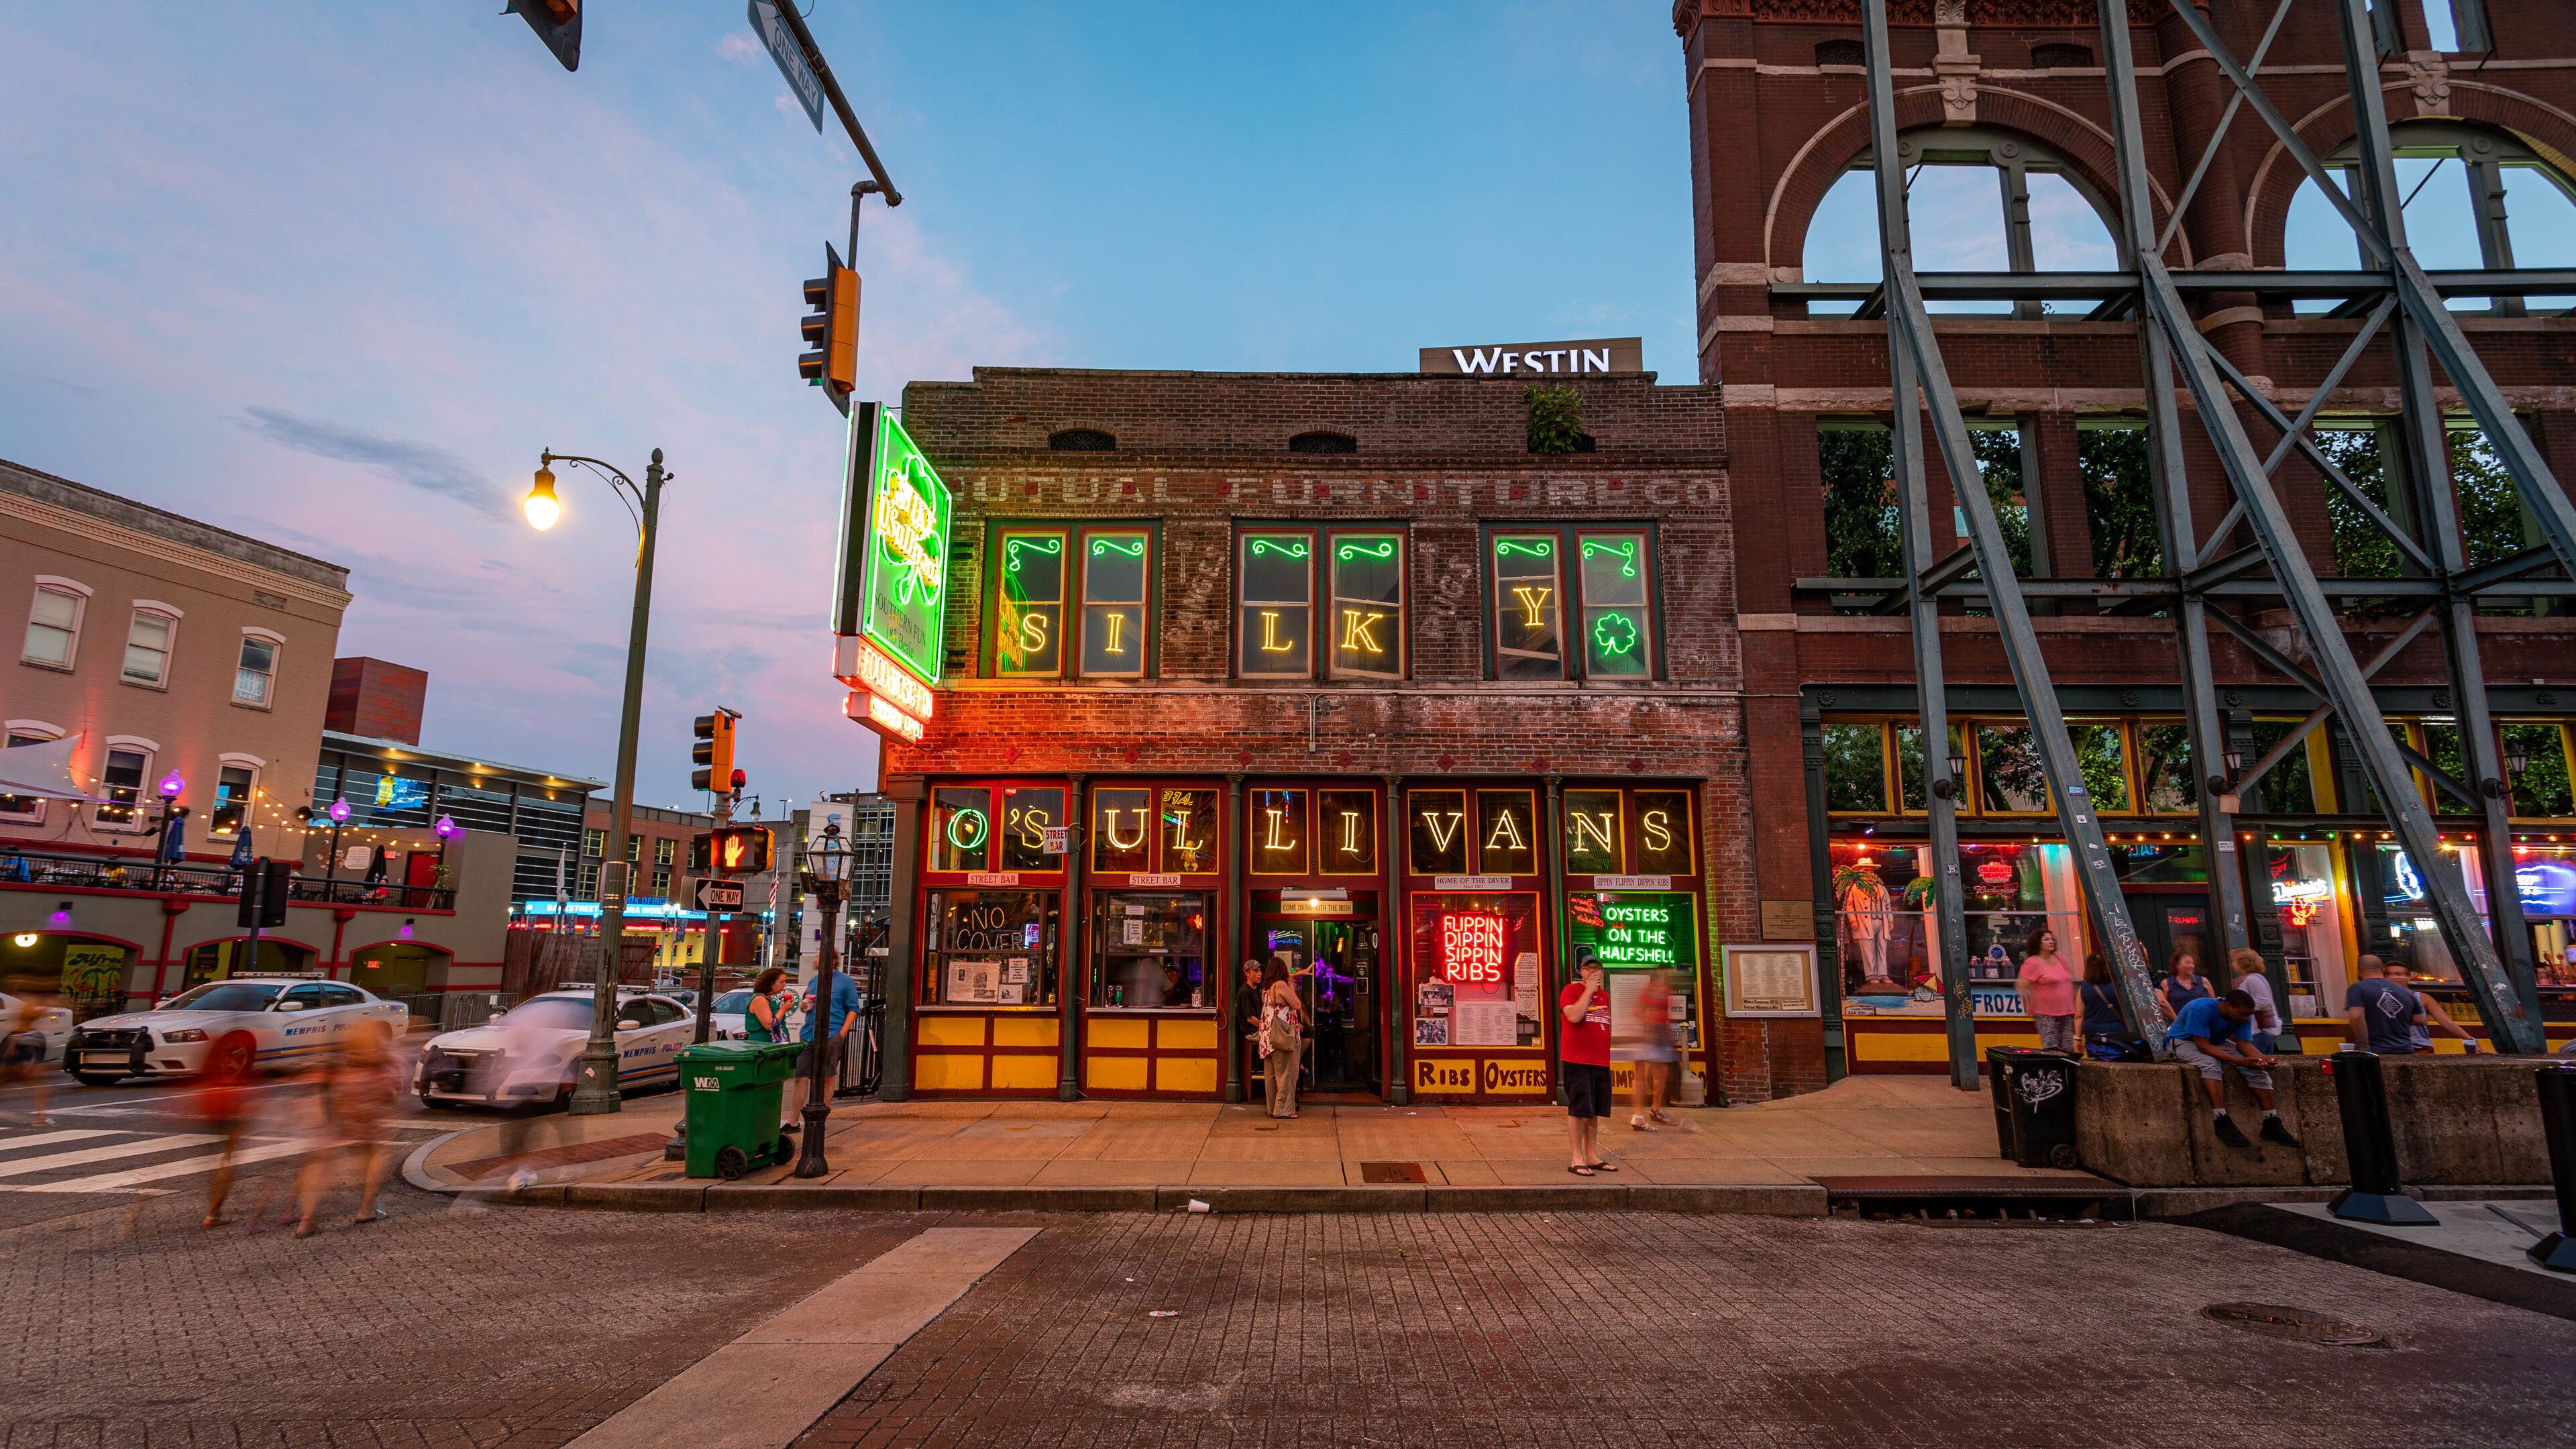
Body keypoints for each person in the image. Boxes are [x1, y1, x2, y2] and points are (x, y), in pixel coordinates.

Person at [294, 1020, 400, 1236]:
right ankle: (366, 1209)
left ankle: (307, 1218)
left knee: (322, 1161)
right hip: (369, 1100)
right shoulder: (382, 1053)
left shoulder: (350, 1047)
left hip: (342, 1097)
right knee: (374, 1152)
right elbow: (392, 1094)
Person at [2165, 988, 2302, 1150]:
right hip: (2182, 1041)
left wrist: (2264, 1060)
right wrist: (2239, 1061)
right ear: (2228, 1005)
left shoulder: (2243, 1015)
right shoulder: (2200, 1008)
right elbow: (2202, 1046)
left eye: (2248, 1015)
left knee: (2257, 1069)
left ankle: (2271, 1122)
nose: (2245, 1019)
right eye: (2242, 1014)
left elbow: (2244, 1045)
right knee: (2210, 1064)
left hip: (2215, 1041)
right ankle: (2221, 1119)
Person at [2345, 955, 2478, 1055]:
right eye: (2391, 974)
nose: (2397, 977)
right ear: (2383, 973)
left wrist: (2471, 1041)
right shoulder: (2402, 994)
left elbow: (2445, 1021)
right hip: (2403, 1048)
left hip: (2416, 1048)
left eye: (2401, 974)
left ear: (2409, 977)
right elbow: (2421, 1020)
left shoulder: (2420, 997)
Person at [191, 1030, 258, 1228]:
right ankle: (213, 1214)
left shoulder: (210, 1065)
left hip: (214, 1115)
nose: (230, 1061)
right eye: (228, 1056)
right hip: (227, 1116)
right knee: (226, 1166)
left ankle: (215, 1212)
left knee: (222, 1165)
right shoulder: (226, 1071)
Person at [1560, 952, 1616, 1175]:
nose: (1593, 972)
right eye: (1588, 968)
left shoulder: (1604, 996)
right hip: (1577, 1059)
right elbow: (1573, 1016)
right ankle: (1577, 1157)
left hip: (1600, 1060)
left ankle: (1591, 1155)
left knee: (1594, 1111)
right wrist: (1589, 991)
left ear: (1603, 972)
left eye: (1597, 969)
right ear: (1581, 972)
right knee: (1578, 1109)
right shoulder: (1571, 991)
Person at [744, 966, 800, 1136]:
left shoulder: (768, 1000)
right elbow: (769, 1024)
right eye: (781, 982)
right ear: (770, 982)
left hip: (771, 1045)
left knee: (772, 1085)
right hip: (762, 1045)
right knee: (763, 1084)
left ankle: (767, 1123)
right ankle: (759, 1124)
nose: (784, 985)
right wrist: (783, 1009)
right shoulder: (760, 1000)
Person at [1625, 968, 1679, 1130]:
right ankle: (1638, 1114)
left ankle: (1656, 1109)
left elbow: (1666, 1015)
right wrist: (1650, 1022)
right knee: (1641, 1076)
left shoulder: (1667, 990)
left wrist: (1668, 1033)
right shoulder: (1649, 990)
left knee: (1662, 1072)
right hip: (1648, 1034)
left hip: (1661, 1035)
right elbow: (1638, 1012)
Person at [800, 963, 863, 1100]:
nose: (815, 960)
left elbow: (853, 1009)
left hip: (832, 1033)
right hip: (808, 1034)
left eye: (818, 957)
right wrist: (804, 1005)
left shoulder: (845, 981)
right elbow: (804, 1007)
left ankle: (823, 1109)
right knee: (800, 1076)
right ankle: (795, 1114)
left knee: (827, 1076)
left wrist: (841, 1033)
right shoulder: (814, 981)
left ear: (832, 960)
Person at [2015, 928, 2078, 1053]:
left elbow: (2068, 981)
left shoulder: (2059, 959)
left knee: (2068, 1049)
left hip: (2066, 1011)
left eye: (2052, 939)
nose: (2051, 942)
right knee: (2052, 1048)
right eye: (2047, 939)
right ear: (2038, 943)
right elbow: (2021, 986)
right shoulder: (2033, 963)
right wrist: (2028, 1004)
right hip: (2046, 1013)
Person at [2075, 953, 2140, 1059]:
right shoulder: (2118, 986)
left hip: (2093, 1033)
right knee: (2120, 1058)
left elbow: (2079, 1016)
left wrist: (2078, 1038)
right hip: (2118, 1030)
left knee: (2097, 1059)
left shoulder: (2083, 988)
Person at [1260, 962, 1304, 1118]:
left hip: (1267, 1037)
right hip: (1281, 1037)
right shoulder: (1281, 985)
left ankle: (1272, 1108)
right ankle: (1284, 1110)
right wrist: (1291, 986)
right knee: (1285, 1073)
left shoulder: (1266, 988)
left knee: (1271, 1076)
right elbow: (1297, 1004)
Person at [2226, 948, 2284, 1054]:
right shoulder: (2251, 978)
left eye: (2233, 961)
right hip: (2258, 1031)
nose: (2232, 964)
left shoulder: (2253, 979)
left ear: (2243, 962)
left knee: (2255, 1060)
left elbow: (2264, 1002)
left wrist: (2240, 1007)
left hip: (2260, 1031)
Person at [2157, 943, 2214, 1022]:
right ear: (2176, 965)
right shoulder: (2167, 983)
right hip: (2179, 1024)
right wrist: (2177, 1022)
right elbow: (2162, 1006)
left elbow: (2213, 1004)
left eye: (2192, 963)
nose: (2191, 966)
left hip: (2202, 1023)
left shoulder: (2204, 981)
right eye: (2187, 963)